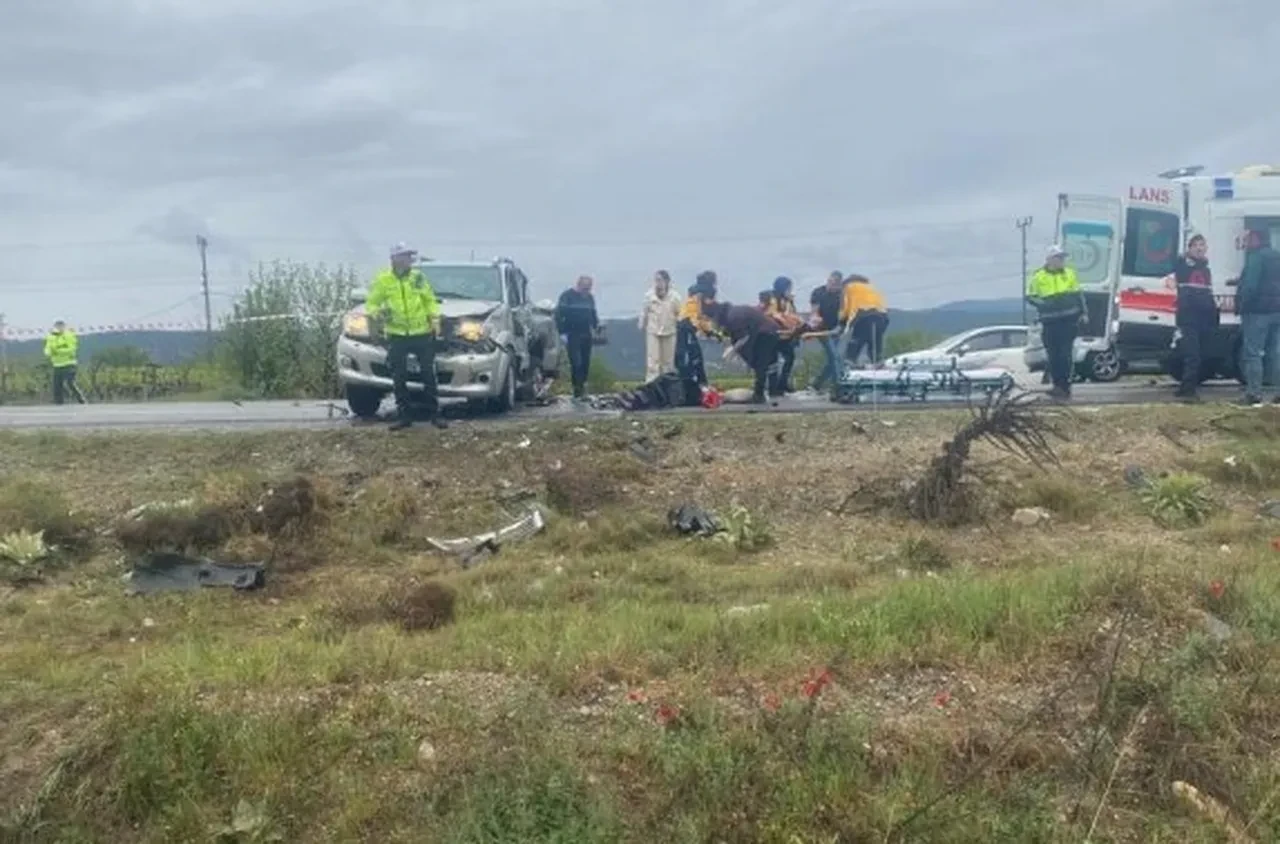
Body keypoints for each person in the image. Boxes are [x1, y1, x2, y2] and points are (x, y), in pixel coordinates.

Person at [366, 242, 446, 430]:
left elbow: (429, 301)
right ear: (395, 259)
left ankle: (434, 414)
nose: (409, 260)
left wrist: (435, 320)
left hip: (421, 333)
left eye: (410, 256)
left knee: (428, 374)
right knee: (399, 376)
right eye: (405, 256)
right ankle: (404, 416)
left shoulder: (418, 278)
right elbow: (372, 304)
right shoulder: (383, 280)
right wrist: (380, 313)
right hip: (397, 334)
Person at [1026, 244, 1087, 400]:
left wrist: (1084, 313)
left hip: (1068, 321)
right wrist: (1044, 304)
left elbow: (1078, 295)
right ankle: (1057, 386)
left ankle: (1065, 387)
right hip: (1050, 321)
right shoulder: (1038, 276)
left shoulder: (1070, 274)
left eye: (1062, 258)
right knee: (1053, 356)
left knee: (1065, 355)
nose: (1061, 261)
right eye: (1058, 258)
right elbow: (1030, 296)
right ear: (1050, 260)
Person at [703, 300, 781, 403]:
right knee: (769, 363)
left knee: (761, 363)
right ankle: (772, 390)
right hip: (770, 330)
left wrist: (732, 350)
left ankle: (759, 395)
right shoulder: (733, 313)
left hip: (765, 333)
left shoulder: (733, 317)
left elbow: (744, 337)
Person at [1235, 228, 1280, 406]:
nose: (1245, 243)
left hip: (1257, 312)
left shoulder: (1255, 258)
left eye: (1247, 239)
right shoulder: (1277, 256)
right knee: (1275, 353)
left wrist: (1242, 304)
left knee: (1253, 353)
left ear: (1256, 239)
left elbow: (1251, 286)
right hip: (1277, 311)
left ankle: (1254, 394)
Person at [1172, 234, 1217, 402]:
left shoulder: (1206, 269)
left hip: (1203, 318)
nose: (1199, 248)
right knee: (1193, 354)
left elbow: (1208, 294)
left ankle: (1186, 386)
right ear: (1189, 248)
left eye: (1202, 245)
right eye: (1196, 245)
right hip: (1188, 316)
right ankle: (1188, 389)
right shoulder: (1183, 266)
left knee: (1197, 354)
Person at [556, 274, 599, 400]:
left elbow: (593, 313)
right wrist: (562, 332)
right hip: (572, 333)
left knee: (586, 362)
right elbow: (558, 315)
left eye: (589, 289)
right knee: (576, 362)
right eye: (585, 289)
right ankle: (577, 389)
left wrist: (596, 325)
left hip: (586, 333)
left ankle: (583, 387)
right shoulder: (567, 296)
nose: (587, 291)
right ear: (579, 286)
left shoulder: (590, 298)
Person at [676, 270, 721, 385]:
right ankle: (696, 383)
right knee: (694, 357)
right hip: (688, 325)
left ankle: (694, 381)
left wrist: (709, 332)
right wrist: (711, 332)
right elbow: (700, 317)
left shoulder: (694, 292)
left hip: (683, 323)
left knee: (690, 355)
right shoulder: (704, 293)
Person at [639, 270, 682, 382]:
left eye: (660, 280)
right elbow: (644, 312)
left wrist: (681, 327)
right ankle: (651, 385)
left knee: (668, 362)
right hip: (653, 331)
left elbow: (679, 314)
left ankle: (668, 385)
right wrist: (642, 324)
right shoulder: (649, 295)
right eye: (656, 280)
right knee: (652, 361)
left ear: (667, 281)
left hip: (670, 331)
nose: (658, 283)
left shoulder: (675, 297)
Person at [764, 276, 803, 394]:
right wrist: (784, 319)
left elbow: (792, 314)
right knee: (773, 362)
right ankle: (773, 388)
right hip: (773, 335)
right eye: (788, 288)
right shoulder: (773, 299)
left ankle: (783, 383)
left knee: (790, 358)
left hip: (786, 336)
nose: (790, 291)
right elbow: (771, 314)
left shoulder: (788, 301)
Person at [840, 274, 889, 364]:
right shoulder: (872, 288)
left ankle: (849, 362)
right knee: (875, 342)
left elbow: (846, 309)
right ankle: (878, 361)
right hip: (882, 317)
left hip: (864, 316)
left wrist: (842, 324)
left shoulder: (849, 287)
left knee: (855, 341)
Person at [807, 272, 845, 391]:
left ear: (839, 285)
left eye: (834, 284)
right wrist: (815, 319)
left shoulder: (842, 296)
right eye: (829, 282)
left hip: (835, 330)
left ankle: (817, 384)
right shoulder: (818, 292)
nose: (831, 286)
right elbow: (814, 311)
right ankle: (837, 386)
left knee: (833, 359)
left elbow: (844, 313)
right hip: (822, 329)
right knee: (835, 357)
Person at [43, 320, 85, 405]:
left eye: (61, 326)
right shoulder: (51, 337)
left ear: (64, 327)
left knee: (70, 383)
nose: (59, 328)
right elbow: (47, 349)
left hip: (69, 364)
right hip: (57, 365)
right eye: (57, 326)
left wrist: (57, 351)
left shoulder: (69, 335)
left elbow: (71, 349)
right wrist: (49, 352)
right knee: (57, 386)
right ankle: (59, 404)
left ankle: (81, 400)